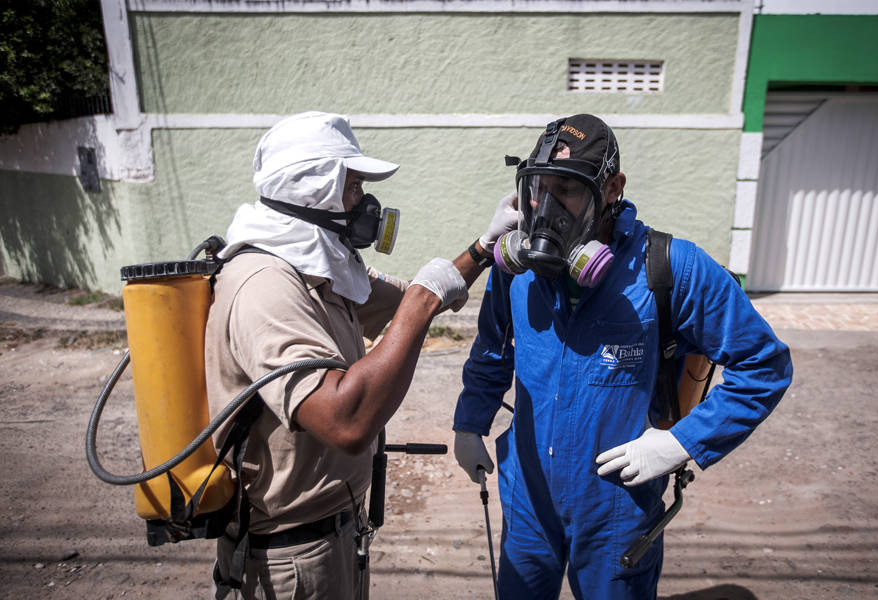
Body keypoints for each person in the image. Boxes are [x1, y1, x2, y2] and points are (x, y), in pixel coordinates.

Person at [452, 114, 793, 599]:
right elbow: (492, 349)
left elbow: (763, 365)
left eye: (566, 191)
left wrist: (681, 443)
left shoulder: (672, 268)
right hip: (527, 490)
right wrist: (470, 421)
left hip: (617, 503)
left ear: (611, 187)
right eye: (536, 188)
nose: (544, 209)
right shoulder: (517, 268)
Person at [205, 111, 518, 599]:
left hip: (334, 534)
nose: (364, 201)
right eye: (352, 186)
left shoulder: (318, 267)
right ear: (315, 191)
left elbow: (420, 297)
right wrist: (422, 299)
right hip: (291, 557)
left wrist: (483, 246)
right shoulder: (265, 285)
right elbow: (346, 422)